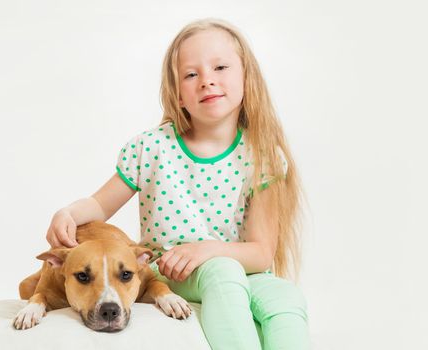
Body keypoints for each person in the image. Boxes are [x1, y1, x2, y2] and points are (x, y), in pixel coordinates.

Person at [46, 18, 310, 350]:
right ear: (178, 94)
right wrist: (69, 211)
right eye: (191, 74)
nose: (207, 81)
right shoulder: (152, 148)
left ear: (247, 79)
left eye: (220, 67)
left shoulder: (263, 157)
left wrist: (210, 249)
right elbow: (99, 205)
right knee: (222, 273)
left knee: (285, 296)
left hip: (240, 270)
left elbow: (260, 253)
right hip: (173, 272)